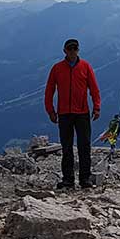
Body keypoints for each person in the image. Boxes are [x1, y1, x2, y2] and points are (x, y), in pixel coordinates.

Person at [44, 38, 101, 189]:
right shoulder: (57, 68)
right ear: (65, 51)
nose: (72, 51)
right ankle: (68, 179)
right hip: (64, 113)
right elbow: (49, 90)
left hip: (82, 112)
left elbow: (94, 88)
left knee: (84, 146)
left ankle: (85, 179)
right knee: (66, 147)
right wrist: (50, 110)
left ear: (78, 50)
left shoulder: (85, 67)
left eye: (75, 49)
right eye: (70, 49)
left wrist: (97, 107)